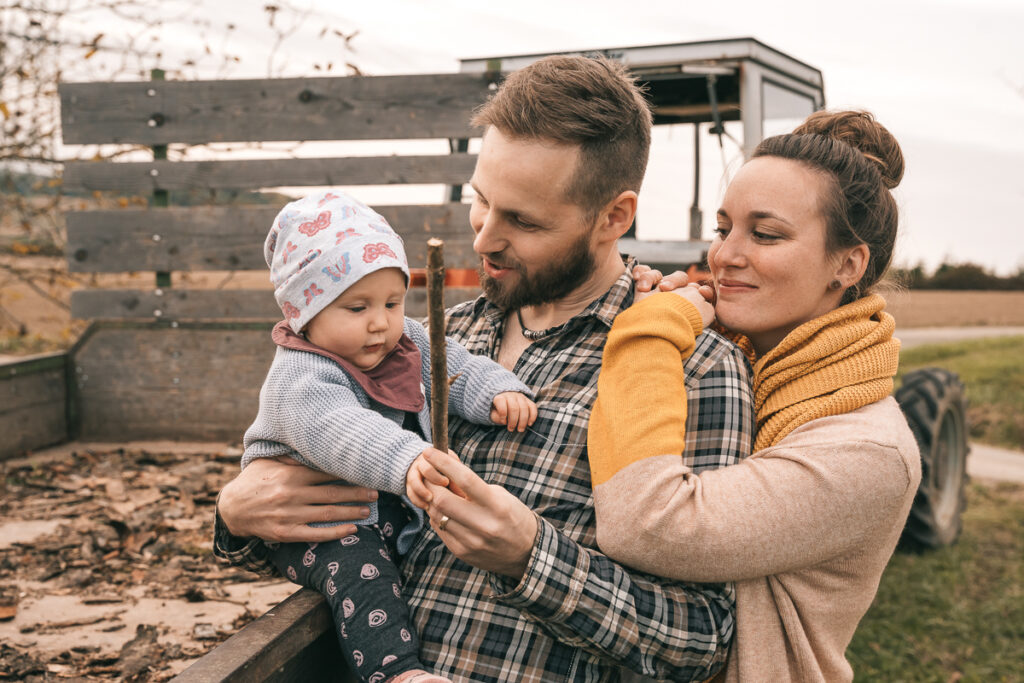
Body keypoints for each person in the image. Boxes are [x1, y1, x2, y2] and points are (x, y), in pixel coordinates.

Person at [215, 56, 757, 682]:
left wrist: (530, 557)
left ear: (614, 216)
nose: (483, 239)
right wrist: (236, 516)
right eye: (481, 201)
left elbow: (702, 643)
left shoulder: (695, 370)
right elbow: (332, 537)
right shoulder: (431, 338)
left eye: (522, 220)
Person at [587, 110, 922, 682]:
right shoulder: (727, 363)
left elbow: (646, 522)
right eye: (724, 229)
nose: (724, 256)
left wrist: (648, 334)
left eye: (765, 234)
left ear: (848, 264)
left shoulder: (867, 451)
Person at [245, 189, 537, 683]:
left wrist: (495, 392)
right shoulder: (299, 377)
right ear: (303, 313)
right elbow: (343, 431)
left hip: (381, 507)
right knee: (362, 572)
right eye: (357, 307)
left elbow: (454, 367)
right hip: (319, 521)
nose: (380, 322)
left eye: (393, 301)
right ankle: (397, 671)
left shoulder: (406, 341)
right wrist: (408, 460)